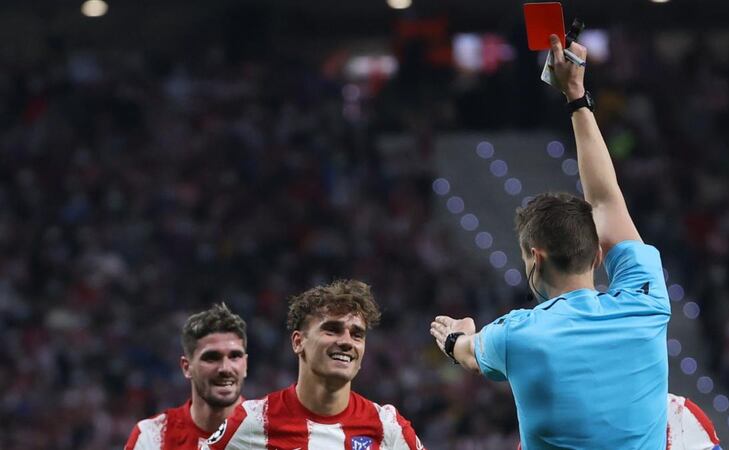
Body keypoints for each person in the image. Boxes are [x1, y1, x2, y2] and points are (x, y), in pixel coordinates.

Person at [430, 35, 673, 449]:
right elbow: (606, 197)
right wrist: (576, 96)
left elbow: (467, 352)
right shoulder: (645, 302)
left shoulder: (516, 335)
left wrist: (453, 338)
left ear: (535, 257)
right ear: (598, 255)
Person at [204, 279, 425, 450]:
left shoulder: (387, 426)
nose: (347, 342)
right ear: (298, 342)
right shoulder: (253, 421)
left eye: (357, 334)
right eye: (332, 329)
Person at [125, 303, 248, 450]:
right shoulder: (152, 437)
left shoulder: (272, 432)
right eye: (211, 358)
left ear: (245, 365)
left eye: (235, 356)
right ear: (187, 367)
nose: (225, 368)